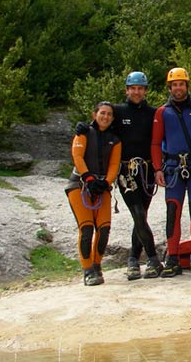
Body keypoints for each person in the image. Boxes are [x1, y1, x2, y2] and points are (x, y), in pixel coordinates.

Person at [76, 72, 163, 280]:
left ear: (145, 91)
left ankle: (133, 258)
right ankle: (151, 259)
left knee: (141, 215)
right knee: (138, 214)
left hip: (147, 171)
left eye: (140, 88)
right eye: (132, 88)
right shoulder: (118, 110)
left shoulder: (154, 113)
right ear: (126, 90)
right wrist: (84, 128)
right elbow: (101, 122)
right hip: (126, 171)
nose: (136, 92)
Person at [151, 67, 191, 278]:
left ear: (187, 86)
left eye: (182, 84)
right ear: (170, 87)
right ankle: (172, 258)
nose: (178, 88)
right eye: (175, 84)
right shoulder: (162, 112)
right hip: (172, 169)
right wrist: (157, 168)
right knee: (172, 212)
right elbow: (155, 142)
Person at [65, 101, 121, 286]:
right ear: (94, 114)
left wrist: (106, 182)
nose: (105, 117)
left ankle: (97, 266)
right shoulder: (83, 132)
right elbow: (77, 157)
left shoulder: (115, 139)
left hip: (101, 186)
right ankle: (87, 270)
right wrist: (88, 178)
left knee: (104, 229)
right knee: (87, 227)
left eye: (109, 114)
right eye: (102, 113)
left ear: (112, 118)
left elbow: (114, 164)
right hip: (79, 185)